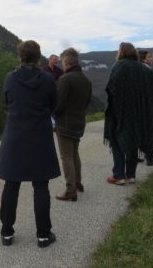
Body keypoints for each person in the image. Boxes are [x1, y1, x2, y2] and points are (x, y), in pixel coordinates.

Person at [0, 40, 60, 248]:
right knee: (41, 185)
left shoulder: (10, 78)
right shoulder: (49, 80)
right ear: (38, 56)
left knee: (11, 184)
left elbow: (6, 102)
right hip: (40, 135)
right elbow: (54, 105)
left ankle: (6, 232)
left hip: (15, 135)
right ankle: (43, 234)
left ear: (20, 56)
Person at [104, 43, 153, 185]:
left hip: (122, 111)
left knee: (117, 141)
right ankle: (130, 175)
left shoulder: (119, 65)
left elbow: (111, 88)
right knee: (133, 141)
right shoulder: (142, 67)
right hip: (139, 112)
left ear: (121, 52)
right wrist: (147, 99)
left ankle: (118, 175)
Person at [54, 48, 92, 201]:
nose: (62, 65)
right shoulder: (86, 80)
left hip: (65, 123)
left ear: (67, 62)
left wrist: (53, 115)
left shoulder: (65, 79)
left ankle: (70, 189)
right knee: (74, 153)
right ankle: (78, 183)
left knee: (66, 157)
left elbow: (59, 104)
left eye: (62, 61)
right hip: (79, 122)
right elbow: (87, 102)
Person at [138, 48, 153, 165]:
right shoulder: (147, 69)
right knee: (150, 130)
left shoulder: (135, 69)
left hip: (139, 104)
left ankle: (137, 154)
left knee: (140, 130)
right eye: (149, 57)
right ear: (143, 58)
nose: (151, 59)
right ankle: (149, 157)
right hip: (149, 103)